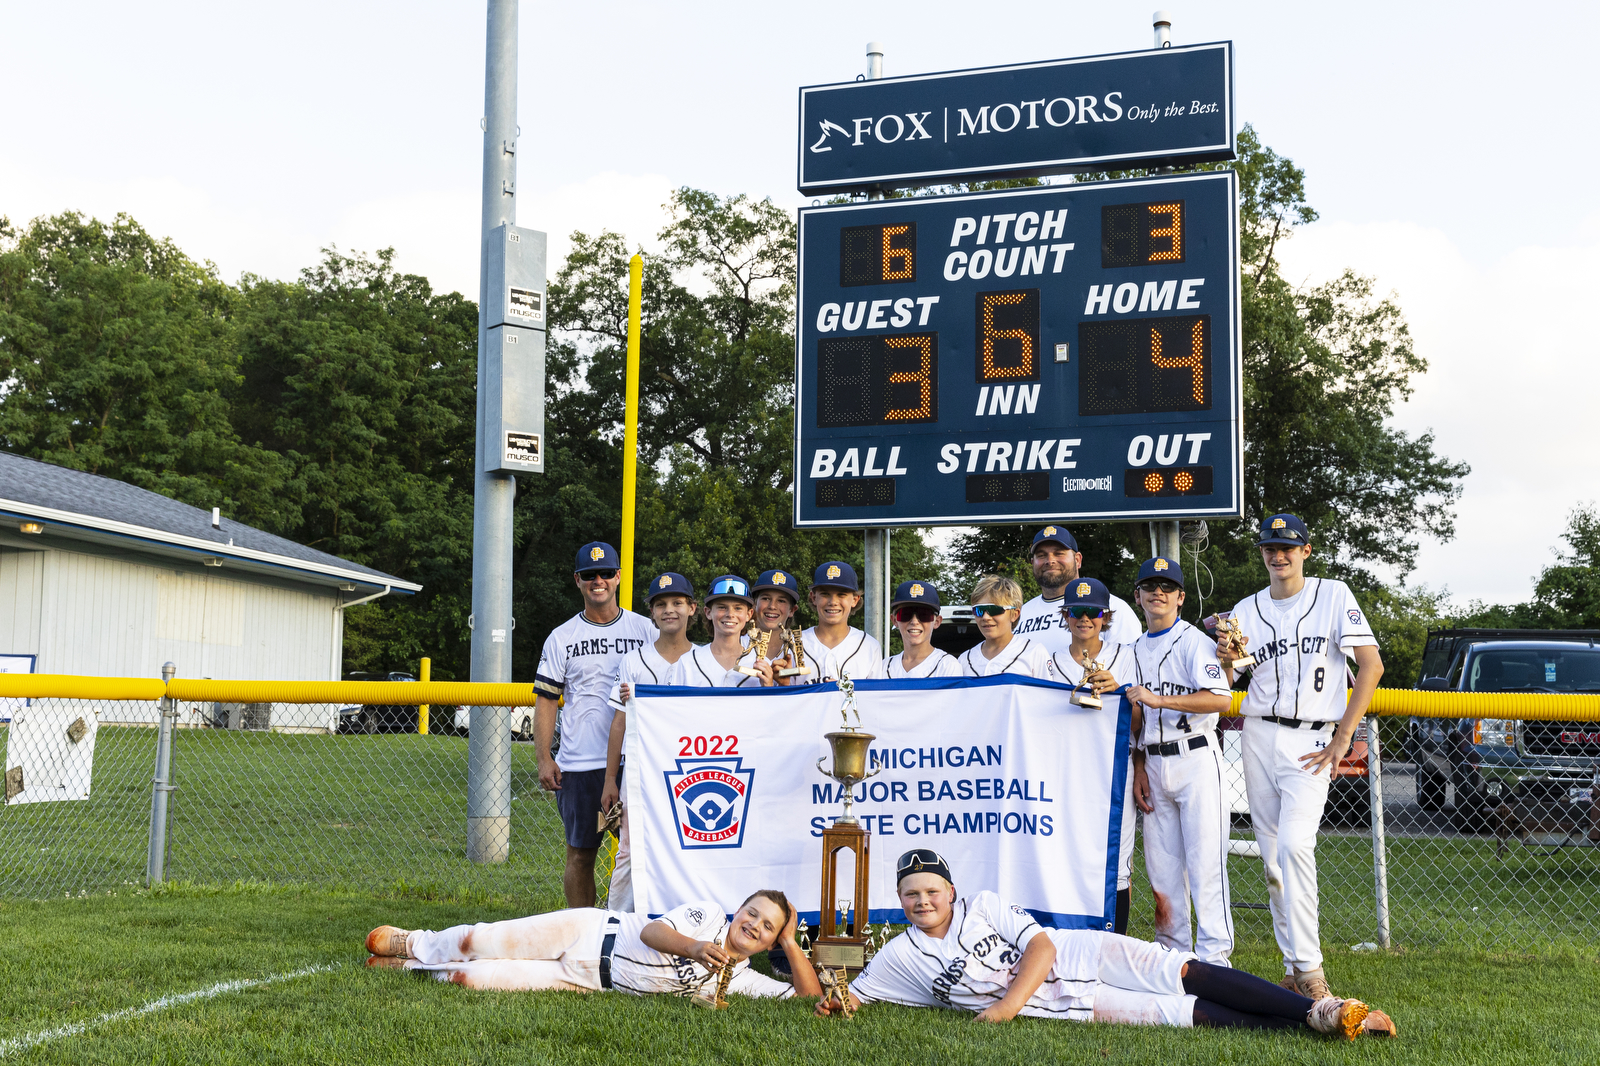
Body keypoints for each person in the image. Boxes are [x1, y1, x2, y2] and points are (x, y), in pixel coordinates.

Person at [814, 849, 1394, 1039]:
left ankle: (1319, 1009)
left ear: (950, 889)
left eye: (931, 890)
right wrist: (833, 999)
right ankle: (1315, 1026)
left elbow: (1040, 949)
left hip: (1080, 954)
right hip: (1066, 1004)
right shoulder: (899, 955)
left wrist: (1004, 1007)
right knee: (1184, 1015)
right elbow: (856, 996)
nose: (922, 902)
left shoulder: (981, 903)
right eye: (911, 894)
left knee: (1185, 972)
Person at [1219, 514, 1384, 1001]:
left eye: (1288, 547)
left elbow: (1371, 665)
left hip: (1314, 741)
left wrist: (1343, 737)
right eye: (1270, 547)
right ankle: (1293, 966)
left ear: (1305, 551)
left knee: (1294, 846)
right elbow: (1228, 681)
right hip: (1258, 733)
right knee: (1272, 858)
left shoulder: (1334, 595)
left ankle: (1311, 972)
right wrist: (1226, 660)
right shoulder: (1245, 610)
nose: (1278, 554)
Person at [364, 890, 824, 1003]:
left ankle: (409, 970)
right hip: (587, 932)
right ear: (738, 909)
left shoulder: (739, 976)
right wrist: (696, 948)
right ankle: (413, 942)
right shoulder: (707, 917)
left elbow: (808, 1000)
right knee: (478, 940)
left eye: (767, 929)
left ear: (767, 944)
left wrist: (791, 940)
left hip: (583, 979)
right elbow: (652, 934)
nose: (754, 926)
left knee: (475, 978)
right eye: (753, 913)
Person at [534, 542, 659, 907]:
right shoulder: (562, 637)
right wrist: (544, 757)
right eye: (590, 575)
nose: (598, 580)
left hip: (634, 760)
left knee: (646, 854)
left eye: (606, 573)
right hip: (580, 763)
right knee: (581, 854)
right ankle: (583, 934)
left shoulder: (645, 629)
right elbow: (546, 699)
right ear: (578, 581)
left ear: (618, 576)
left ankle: (643, 932)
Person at [1127, 556, 1235, 965]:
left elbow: (1221, 699)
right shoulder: (1132, 649)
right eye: (1150, 586)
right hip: (1152, 762)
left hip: (1195, 758)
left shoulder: (1194, 641)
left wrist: (1161, 699)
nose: (1159, 592)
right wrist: (1138, 765)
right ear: (1137, 596)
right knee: (1162, 868)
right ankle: (1173, 959)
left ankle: (1215, 960)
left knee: (1206, 864)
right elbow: (1135, 717)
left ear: (1181, 597)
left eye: (1167, 587)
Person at [599, 572, 698, 912]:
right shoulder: (633, 660)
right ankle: (614, 926)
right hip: (640, 770)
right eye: (661, 604)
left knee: (687, 844)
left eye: (677, 603)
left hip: (690, 767)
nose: (669, 610)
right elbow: (619, 722)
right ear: (652, 613)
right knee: (629, 847)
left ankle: (684, 918)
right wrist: (611, 778)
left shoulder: (704, 659)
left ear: (692, 609)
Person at [1048, 577, 1140, 933]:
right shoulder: (1050, 662)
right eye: (1076, 611)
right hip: (1063, 768)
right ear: (1065, 615)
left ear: (1106, 616)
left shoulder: (1126, 656)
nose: (1084, 619)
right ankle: (1066, 940)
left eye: (1093, 611)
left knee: (1116, 860)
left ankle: (1115, 942)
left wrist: (1119, 692)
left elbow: (1139, 722)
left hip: (1114, 768)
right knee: (1063, 852)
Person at [1016, 525, 1142, 651]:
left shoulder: (1112, 607)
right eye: (1041, 555)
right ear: (1032, 563)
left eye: (1059, 553)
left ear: (1078, 560)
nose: (1050, 560)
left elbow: (1129, 665)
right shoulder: (1020, 614)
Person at [670, 575, 777, 688]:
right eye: (722, 607)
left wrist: (768, 686)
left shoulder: (763, 663)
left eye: (738, 608)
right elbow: (673, 704)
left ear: (749, 614)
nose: (730, 614)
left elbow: (773, 704)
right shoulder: (688, 662)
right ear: (708, 612)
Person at [801, 561, 885, 681]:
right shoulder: (794, 643)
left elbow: (874, 698)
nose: (833, 602)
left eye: (841, 595)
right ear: (814, 598)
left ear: (855, 600)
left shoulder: (869, 646)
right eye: (825, 594)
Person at [957, 574, 1051, 677]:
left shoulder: (1034, 652)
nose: (985, 617)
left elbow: (1047, 692)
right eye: (979, 610)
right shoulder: (965, 660)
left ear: (1015, 614)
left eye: (994, 609)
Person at [885, 580, 962, 678]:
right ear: (894, 620)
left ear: (937, 621)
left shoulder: (947, 665)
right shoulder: (884, 667)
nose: (914, 621)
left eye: (924, 614)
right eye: (905, 614)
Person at [741, 569, 805, 679]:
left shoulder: (802, 649)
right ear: (755, 604)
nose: (772, 606)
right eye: (766, 598)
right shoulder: (738, 645)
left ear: (792, 610)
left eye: (781, 601)